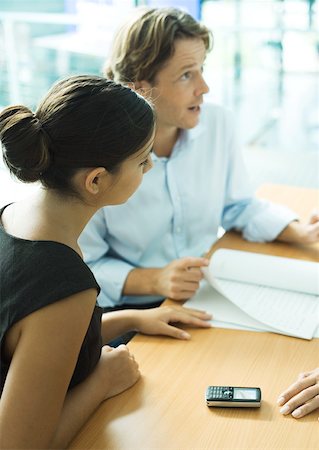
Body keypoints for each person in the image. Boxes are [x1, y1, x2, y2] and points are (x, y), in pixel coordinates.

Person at [0, 75, 212, 449]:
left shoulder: (14, 218)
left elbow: (29, 339)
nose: (149, 169)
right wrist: (102, 382)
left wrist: (131, 318)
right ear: (96, 181)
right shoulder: (61, 280)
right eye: (143, 160)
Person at [79, 7, 319, 309]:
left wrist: (300, 231)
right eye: (185, 75)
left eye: (202, 68)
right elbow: (85, 268)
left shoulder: (218, 123)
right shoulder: (97, 159)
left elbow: (238, 205)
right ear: (138, 89)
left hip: (206, 292)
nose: (204, 88)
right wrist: (155, 279)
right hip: (134, 308)